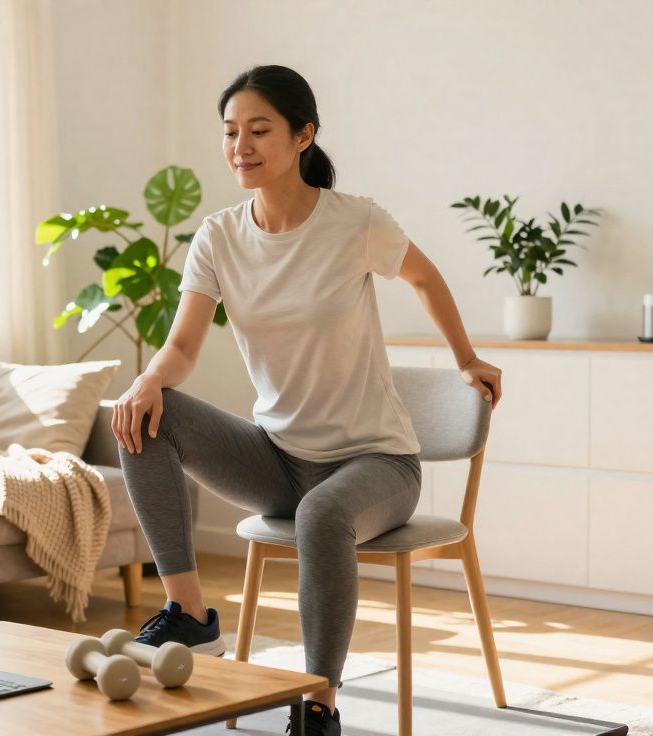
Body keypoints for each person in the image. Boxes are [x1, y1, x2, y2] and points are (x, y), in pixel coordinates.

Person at [112, 64, 502, 736]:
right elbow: (181, 349)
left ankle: (319, 706)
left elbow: (425, 276)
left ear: (303, 136)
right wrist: (148, 380)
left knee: (324, 515)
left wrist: (466, 358)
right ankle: (189, 613)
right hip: (278, 459)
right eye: (231, 132)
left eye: (259, 129)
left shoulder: (355, 222)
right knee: (144, 416)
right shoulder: (218, 237)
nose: (242, 145)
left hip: (377, 465)